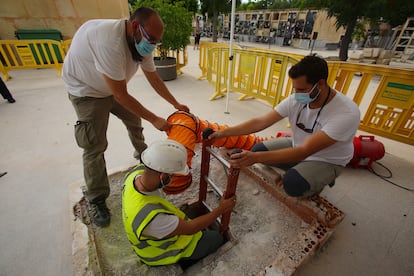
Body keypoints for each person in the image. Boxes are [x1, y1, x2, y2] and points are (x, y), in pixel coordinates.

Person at [62, 7, 189, 227]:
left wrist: (175, 103)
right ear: (133, 27)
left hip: (112, 88)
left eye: (157, 41)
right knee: (95, 146)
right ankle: (97, 199)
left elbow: (154, 78)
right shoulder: (108, 41)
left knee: (134, 120)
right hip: (87, 91)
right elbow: (121, 95)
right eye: (151, 39)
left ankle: (143, 156)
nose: (152, 45)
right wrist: (155, 118)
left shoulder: (142, 41)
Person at [208, 55, 360, 198]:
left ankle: (320, 179)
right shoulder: (296, 99)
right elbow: (260, 122)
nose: (296, 94)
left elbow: (304, 151)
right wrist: (223, 133)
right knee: (257, 150)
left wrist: (255, 158)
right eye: (294, 88)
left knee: (292, 184)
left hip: (327, 158)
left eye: (301, 89)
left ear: (320, 84)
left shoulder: (346, 113)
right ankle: (301, 170)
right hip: (298, 146)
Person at [122, 139, 236, 267]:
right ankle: (185, 261)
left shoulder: (134, 175)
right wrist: (220, 209)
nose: (172, 178)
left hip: (158, 233)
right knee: (216, 239)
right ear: (162, 175)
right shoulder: (152, 218)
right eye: (172, 175)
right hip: (158, 253)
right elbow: (191, 228)